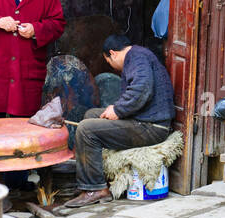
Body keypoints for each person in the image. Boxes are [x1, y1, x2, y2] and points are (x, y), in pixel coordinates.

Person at [63, 34, 175, 208]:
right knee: (92, 115)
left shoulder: (137, 57)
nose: (113, 67)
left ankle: (95, 190)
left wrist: (118, 109)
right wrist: (118, 109)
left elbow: (141, 88)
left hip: (151, 126)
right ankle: (95, 180)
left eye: (108, 62)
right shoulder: (138, 56)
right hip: (143, 121)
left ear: (112, 54)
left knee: (86, 129)